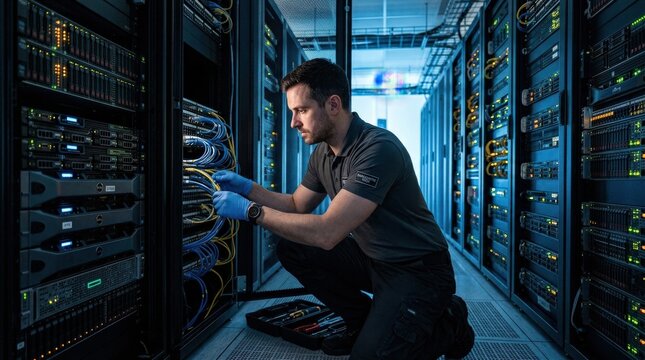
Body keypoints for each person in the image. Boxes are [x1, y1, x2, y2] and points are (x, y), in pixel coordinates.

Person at [212, 58, 474, 359]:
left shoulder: (377, 149)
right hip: (373, 259)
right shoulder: (323, 153)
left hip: (418, 271)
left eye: (301, 111)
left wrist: (252, 212)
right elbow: (297, 204)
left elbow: (328, 233)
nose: (293, 123)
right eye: (292, 112)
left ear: (333, 105)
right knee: (292, 248)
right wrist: (248, 188)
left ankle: (450, 321)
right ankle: (361, 322)